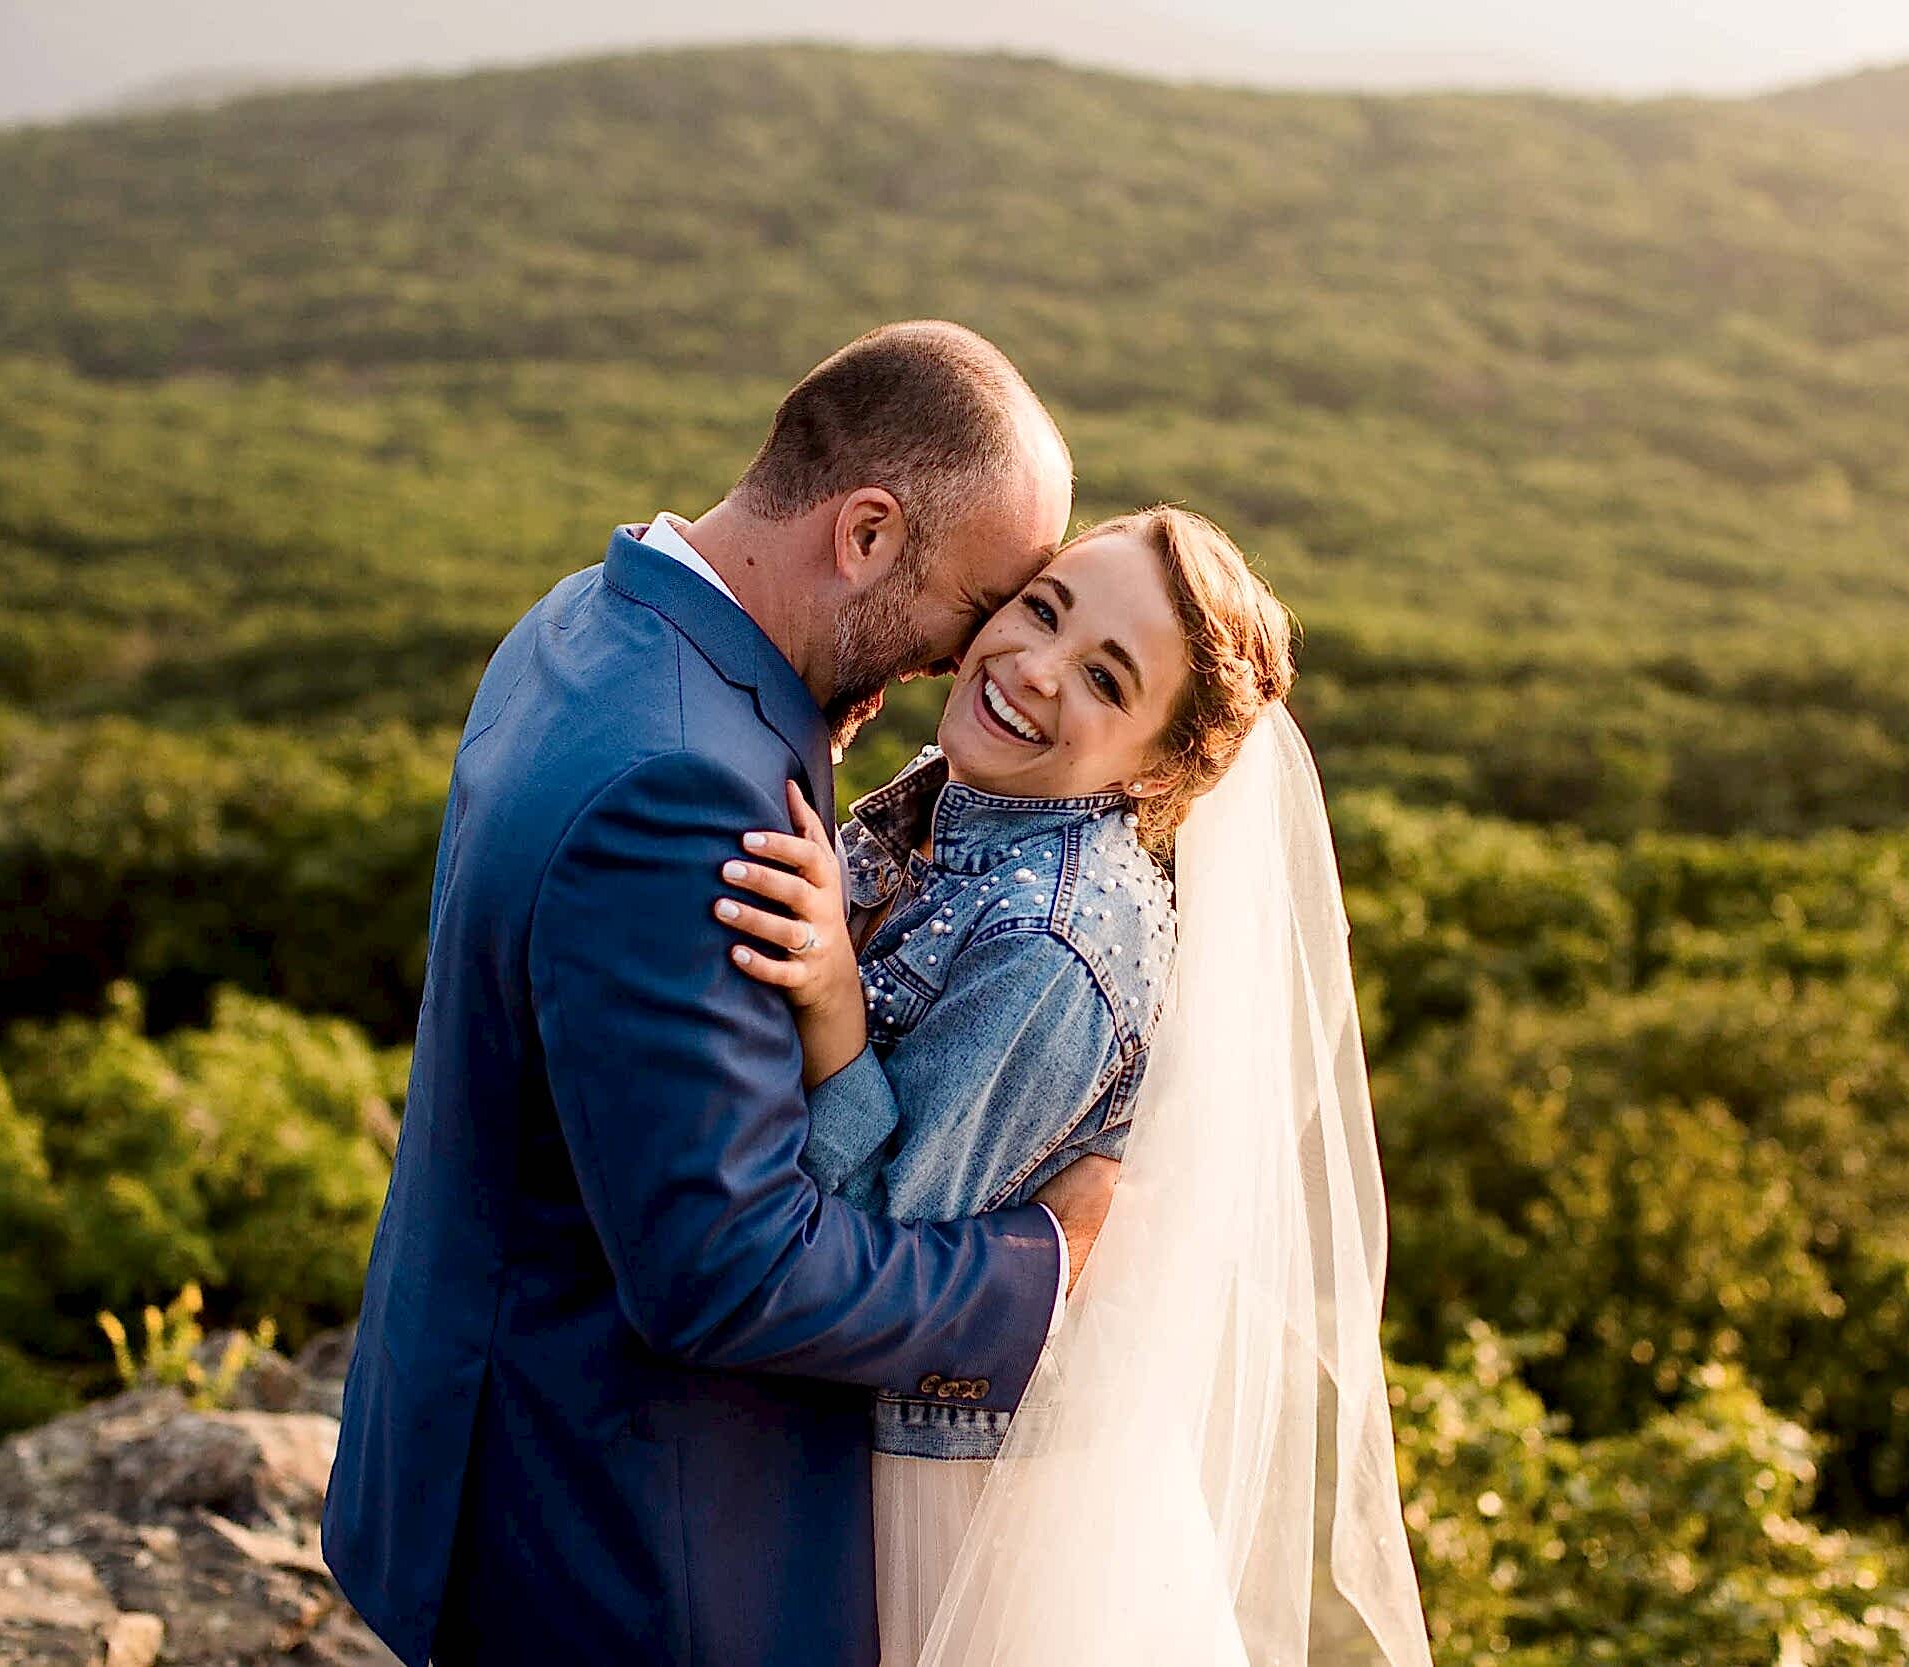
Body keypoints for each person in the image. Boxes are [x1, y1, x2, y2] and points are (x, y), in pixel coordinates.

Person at [321, 321, 1124, 1667]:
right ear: (865, 536)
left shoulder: (587, 618)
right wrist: (1039, 1266)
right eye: (974, 603)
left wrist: (803, 714)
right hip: (627, 1539)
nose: (959, 660)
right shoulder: (688, 787)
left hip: (489, 1432)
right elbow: (724, 1268)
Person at [718, 508, 1433, 1665]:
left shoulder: (1056, 942)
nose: (1034, 668)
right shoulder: (967, 785)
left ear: (1157, 765)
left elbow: (888, 1253)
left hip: (948, 1502)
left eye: (1105, 679)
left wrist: (835, 1010)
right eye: (1042, 607)